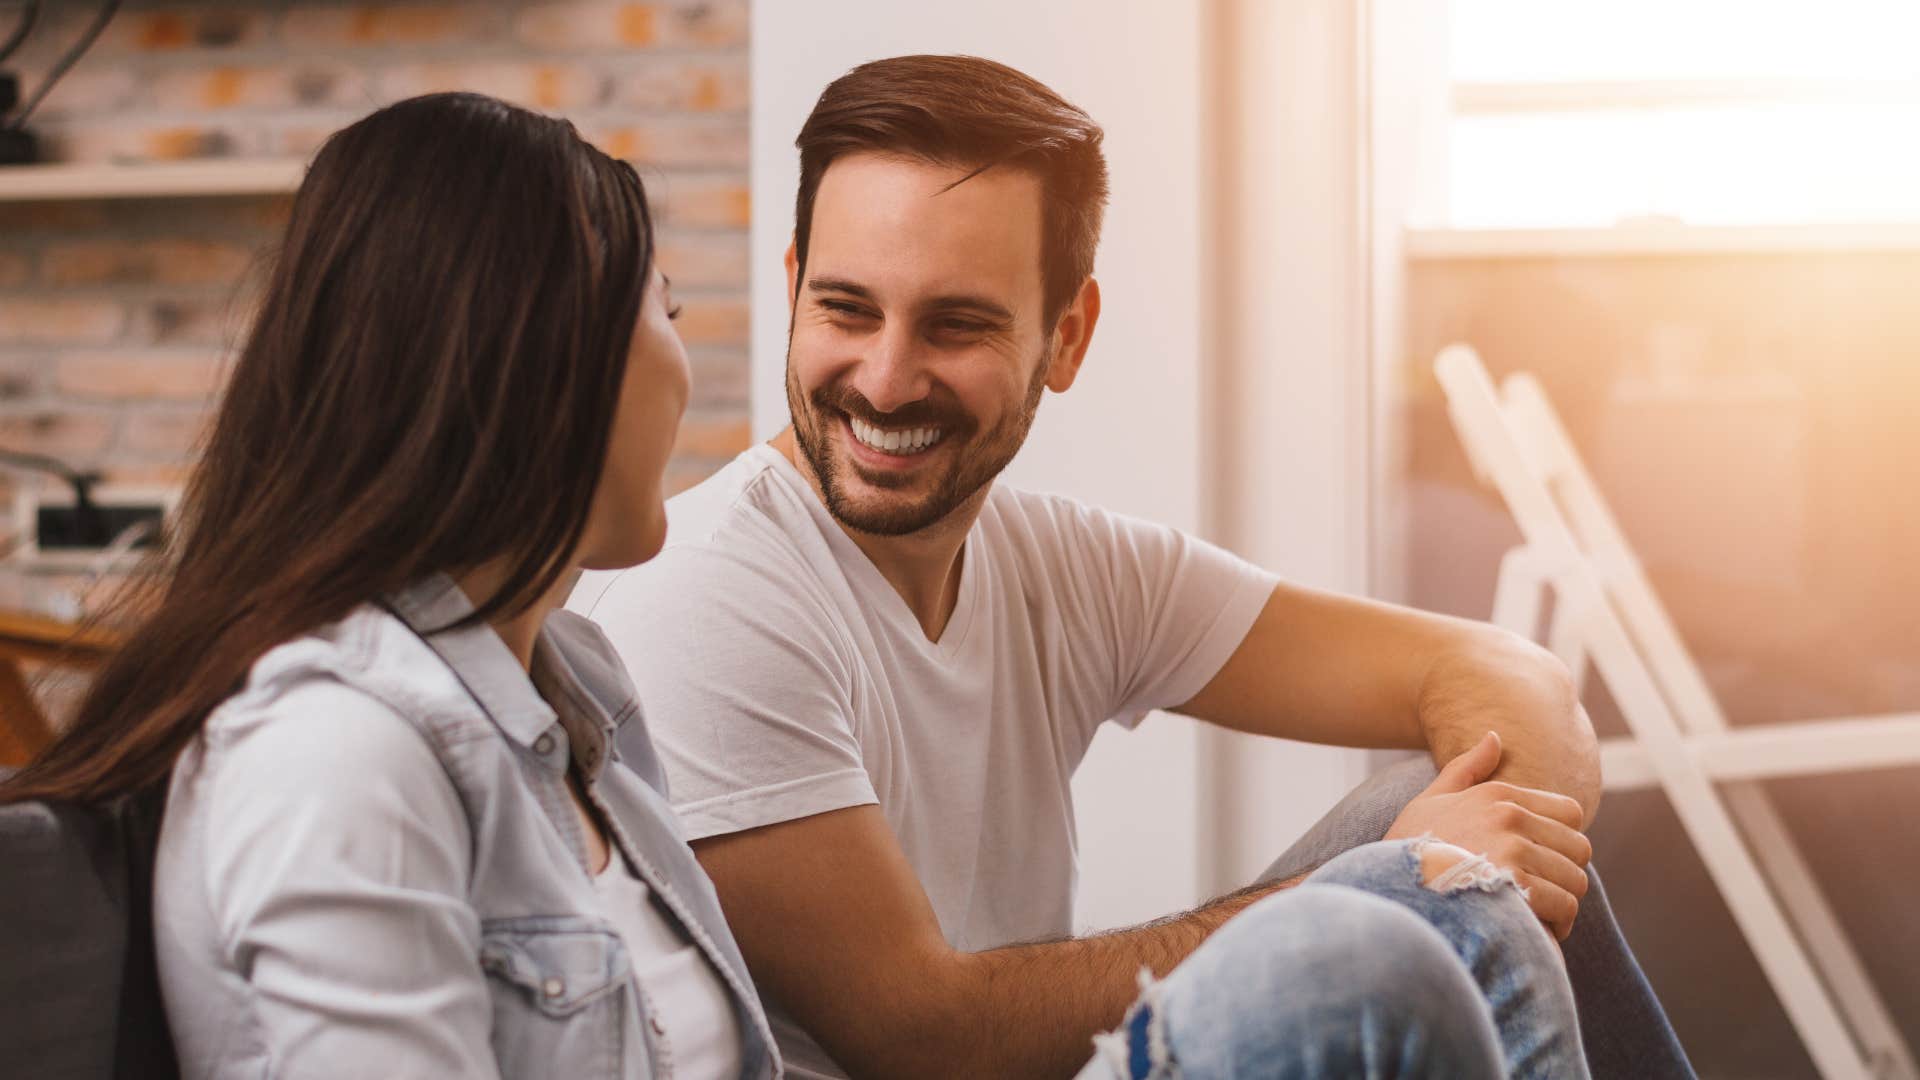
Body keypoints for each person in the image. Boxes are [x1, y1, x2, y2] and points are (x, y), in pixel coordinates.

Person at [572, 55, 1693, 1078]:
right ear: (793, 287)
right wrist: (1410, 887)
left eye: (955, 325)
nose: (885, 377)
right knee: (1427, 893)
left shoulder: (1060, 565)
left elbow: (1510, 679)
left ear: (1066, 337)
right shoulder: (707, 597)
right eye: (846, 309)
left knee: (1471, 831)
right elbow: (924, 1035)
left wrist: (1486, 856)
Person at [0, 92, 778, 1079]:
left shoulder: (580, 683)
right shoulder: (338, 751)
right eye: (664, 310)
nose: (684, 366)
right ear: (545, 350)